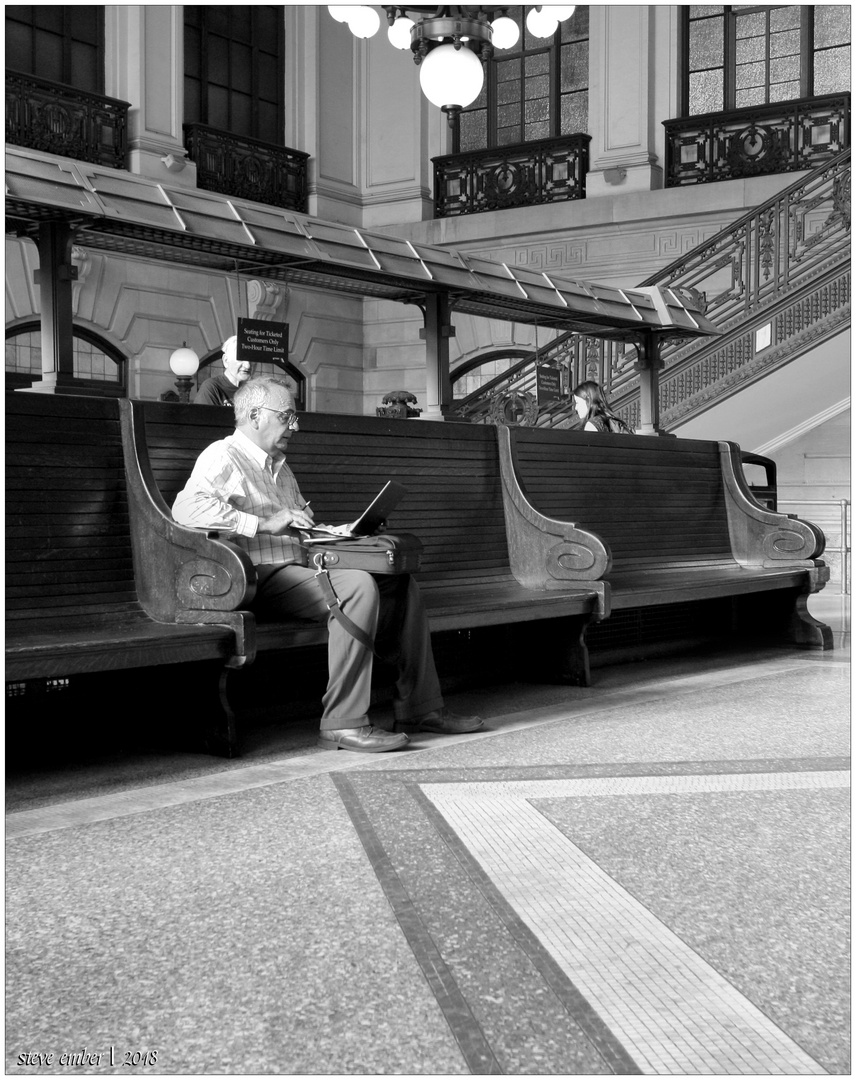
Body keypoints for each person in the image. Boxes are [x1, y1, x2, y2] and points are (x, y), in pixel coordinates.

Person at [172, 375, 482, 753]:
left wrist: (348, 532)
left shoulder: (279, 467)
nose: (295, 426)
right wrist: (261, 523)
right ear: (254, 415)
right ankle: (343, 722)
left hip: (300, 565)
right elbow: (186, 510)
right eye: (287, 416)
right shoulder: (224, 455)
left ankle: (419, 708)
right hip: (253, 575)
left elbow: (302, 527)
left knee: (400, 583)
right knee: (355, 587)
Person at [193, 335, 253, 407]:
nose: (248, 365)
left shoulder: (255, 391)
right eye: (241, 359)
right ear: (226, 360)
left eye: (251, 360)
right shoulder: (212, 388)